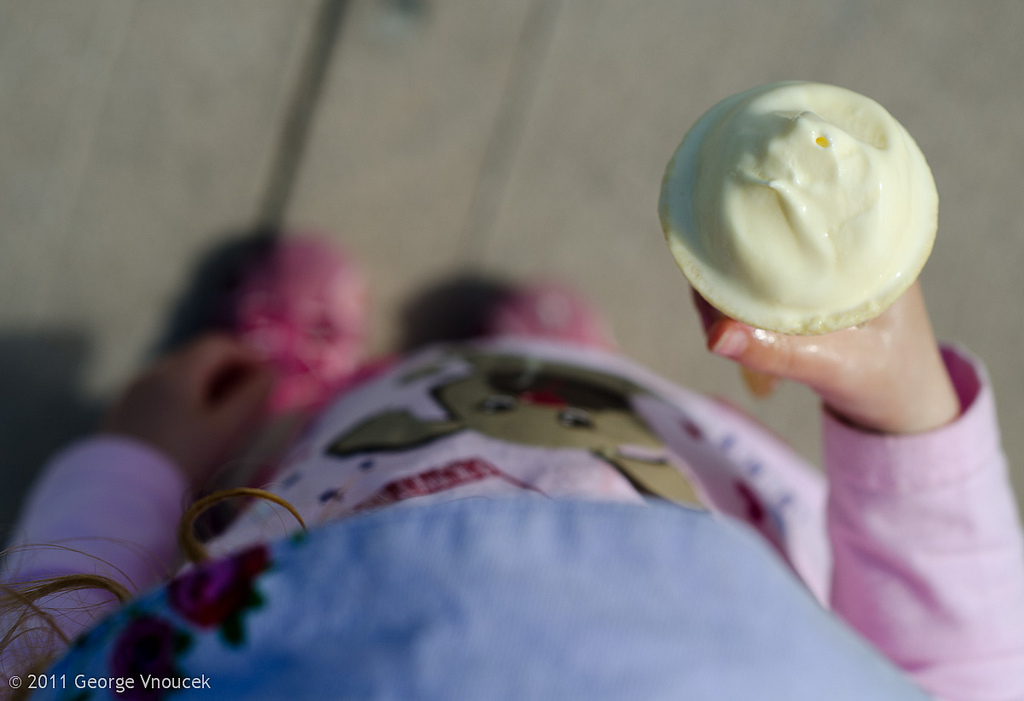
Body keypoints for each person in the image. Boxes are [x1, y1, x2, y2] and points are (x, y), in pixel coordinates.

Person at [1, 237, 1022, 700]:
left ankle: (296, 390)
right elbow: (964, 671)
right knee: (577, 403)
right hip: (682, 488)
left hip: (318, 507)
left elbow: (72, 663)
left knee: (362, 428)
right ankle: (559, 373)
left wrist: (136, 465)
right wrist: (901, 413)